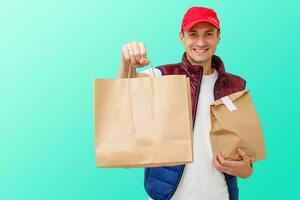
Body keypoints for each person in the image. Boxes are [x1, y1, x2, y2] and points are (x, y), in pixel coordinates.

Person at [118, 6, 253, 200]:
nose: (200, 42)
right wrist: (126, 64)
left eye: (208, 34)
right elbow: (123, 95)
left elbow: (247, 163)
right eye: (193, 34)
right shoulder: (163, 76)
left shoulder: (236, 87)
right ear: (182, 36)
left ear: (218, 37)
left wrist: (245, 169)